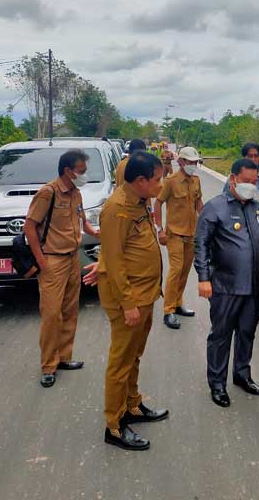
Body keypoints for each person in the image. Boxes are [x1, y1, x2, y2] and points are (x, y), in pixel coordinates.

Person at [82, 151, 169, 451]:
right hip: (129, 299)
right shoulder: (117, 209)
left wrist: (102, 263)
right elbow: (117, 258)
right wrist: (128, 303)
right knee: (121, 361)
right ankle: (114, 425)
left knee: (135, 355)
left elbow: (114, 249)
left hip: (145, 293)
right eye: (157, 179)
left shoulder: (139, 200)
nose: (161, 184)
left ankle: (132, 404)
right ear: (141, 180)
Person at [195, 158, 259, 408]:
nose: (251, 186)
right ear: (232, 179)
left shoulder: (257, 208)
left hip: (253, 286)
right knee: (220, 335)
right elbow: (201, 245)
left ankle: (242, 374)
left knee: (246, 332)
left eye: (254, 182)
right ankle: (217, 383)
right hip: (225, 286)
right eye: (246, 182)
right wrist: (204, 278)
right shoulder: (214, 208)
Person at [25, 149, 99, 389]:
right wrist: (42, 262)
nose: (84, 175)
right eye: (81, 171)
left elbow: (82, 221)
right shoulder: (48, 193)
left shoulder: (76, 193)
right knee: (51, 314)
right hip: (52, 261)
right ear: (68, 171)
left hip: (72, 258)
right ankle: (48, 365)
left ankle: (64, 357)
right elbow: (29, 227)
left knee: (69, 310)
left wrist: (96, 231)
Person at [222, 142, 259, 324]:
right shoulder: (233, 179)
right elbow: (225, 203)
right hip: (237, 235)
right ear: (244, 158)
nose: (254, 159)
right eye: (250, 156)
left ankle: (257, 306)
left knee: (258, 272)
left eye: (257, 156)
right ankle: (234, 306)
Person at [154, 146, 203, 330]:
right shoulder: (171, 181)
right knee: (175, 270)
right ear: (181, 161)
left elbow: (199, 204)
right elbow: (157, 204)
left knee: (184, 271)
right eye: (190, 162)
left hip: (192, 234)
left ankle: (178, 303)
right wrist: (160, 229)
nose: (193, 165)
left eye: (195, 162)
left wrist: (207, 223)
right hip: (174, 234)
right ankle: (168, 311)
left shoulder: (196, 180)